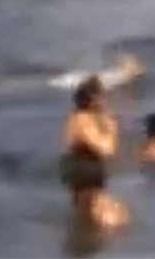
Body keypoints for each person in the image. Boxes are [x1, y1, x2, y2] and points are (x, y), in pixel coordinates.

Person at [62, 77, 123, 226]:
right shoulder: (82, 120)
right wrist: (111, 128)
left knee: (90, 215)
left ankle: (86, 237)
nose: (105, 101)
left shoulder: (84, 119)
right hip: (84, 174)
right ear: (92, 98)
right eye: (102, 96)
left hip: (86, 172)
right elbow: (106, 149)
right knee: (110, 218)